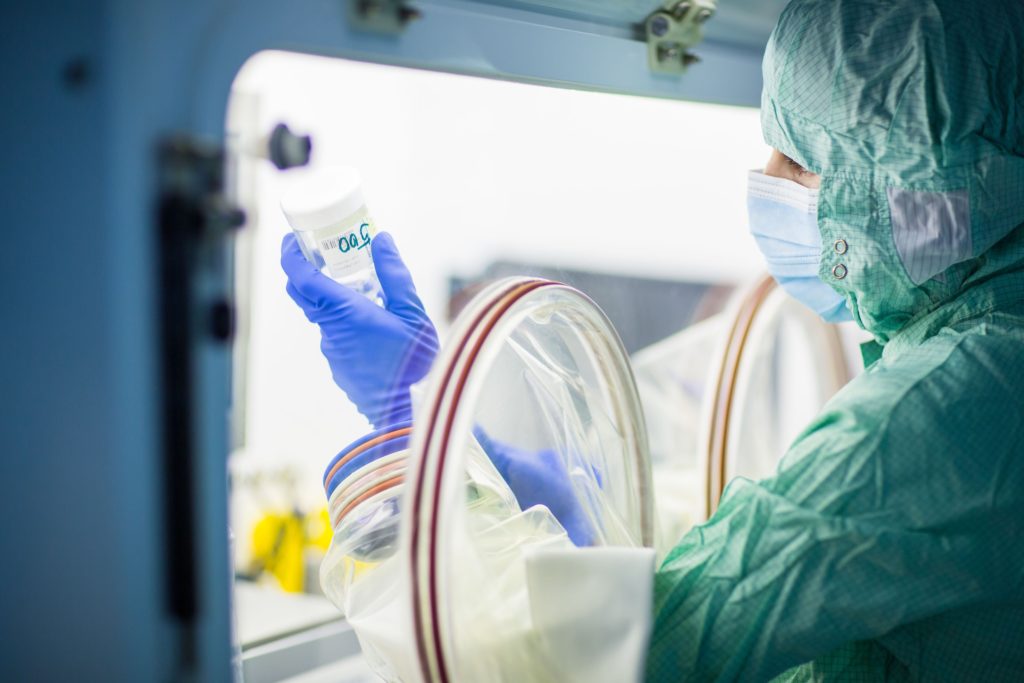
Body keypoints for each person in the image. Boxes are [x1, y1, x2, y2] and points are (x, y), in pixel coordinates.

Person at [281, 0, 1024, 679]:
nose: (766, 180)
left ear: (932, 196)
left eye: (802, 159)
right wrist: (575, 494)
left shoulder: (951, 401)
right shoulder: (982, 349)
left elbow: (565, 666)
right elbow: (814, 541)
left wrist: (409, 444)